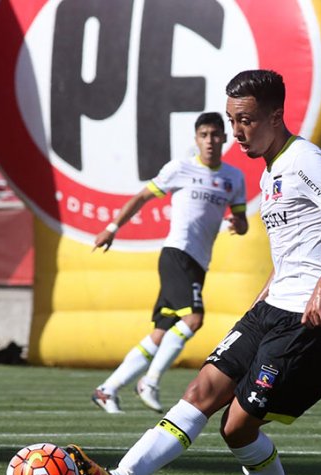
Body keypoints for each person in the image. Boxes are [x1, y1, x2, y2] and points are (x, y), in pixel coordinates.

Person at [67, 69, 321, 475]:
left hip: (314, 324)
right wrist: (265, 294)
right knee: (199, 392)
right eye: (232, 121)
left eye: (246, 120)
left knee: (236, 428)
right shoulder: (269, 174)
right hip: (271, 310)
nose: (237, 133)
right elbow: (297, 249)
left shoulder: (306, 160)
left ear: (276, 116)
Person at [90, 112, 249, 414]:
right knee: (193, 319)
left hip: (200, 263)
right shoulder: (180, 168)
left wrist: (236, 224)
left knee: (163, 331)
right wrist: (112, 228)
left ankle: (107, 390)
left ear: (224, 138)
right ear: (196, 139)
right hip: (177, 253)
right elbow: (141, 197)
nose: (210, 141)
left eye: (215, 134)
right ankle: (149, 382)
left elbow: (242, 223)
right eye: (204, 135)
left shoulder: (233, 177)